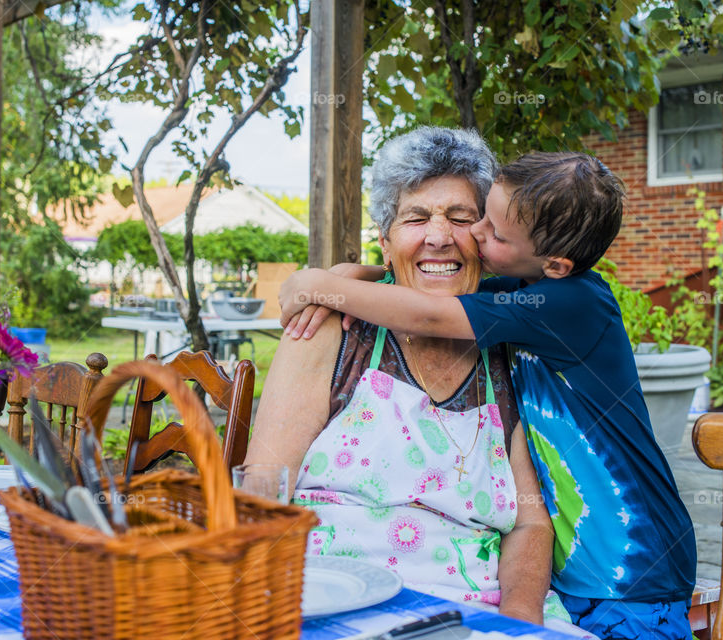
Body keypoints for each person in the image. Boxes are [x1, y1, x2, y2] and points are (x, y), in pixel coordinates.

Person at [279, 144, 697, 640]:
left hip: (631, 564)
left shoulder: (559, 308)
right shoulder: (524, 292)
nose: (465, 235)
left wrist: (318, 284)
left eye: (481, 225)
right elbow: (429, 289)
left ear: (555, 264)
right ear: (386, 240)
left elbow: (431, 313)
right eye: (417, 219)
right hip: (578, 570)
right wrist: (353, 274)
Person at [245, 127, 595, 638]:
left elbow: (530, 522)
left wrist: (519, 627)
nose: (438, 236)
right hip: (329, 598)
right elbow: (263, 485)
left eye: (460, 217)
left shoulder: (513, 350)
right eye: (415, 218)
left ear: (486, 240)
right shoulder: (331, 330)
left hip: (473, 609)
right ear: (385, 244)